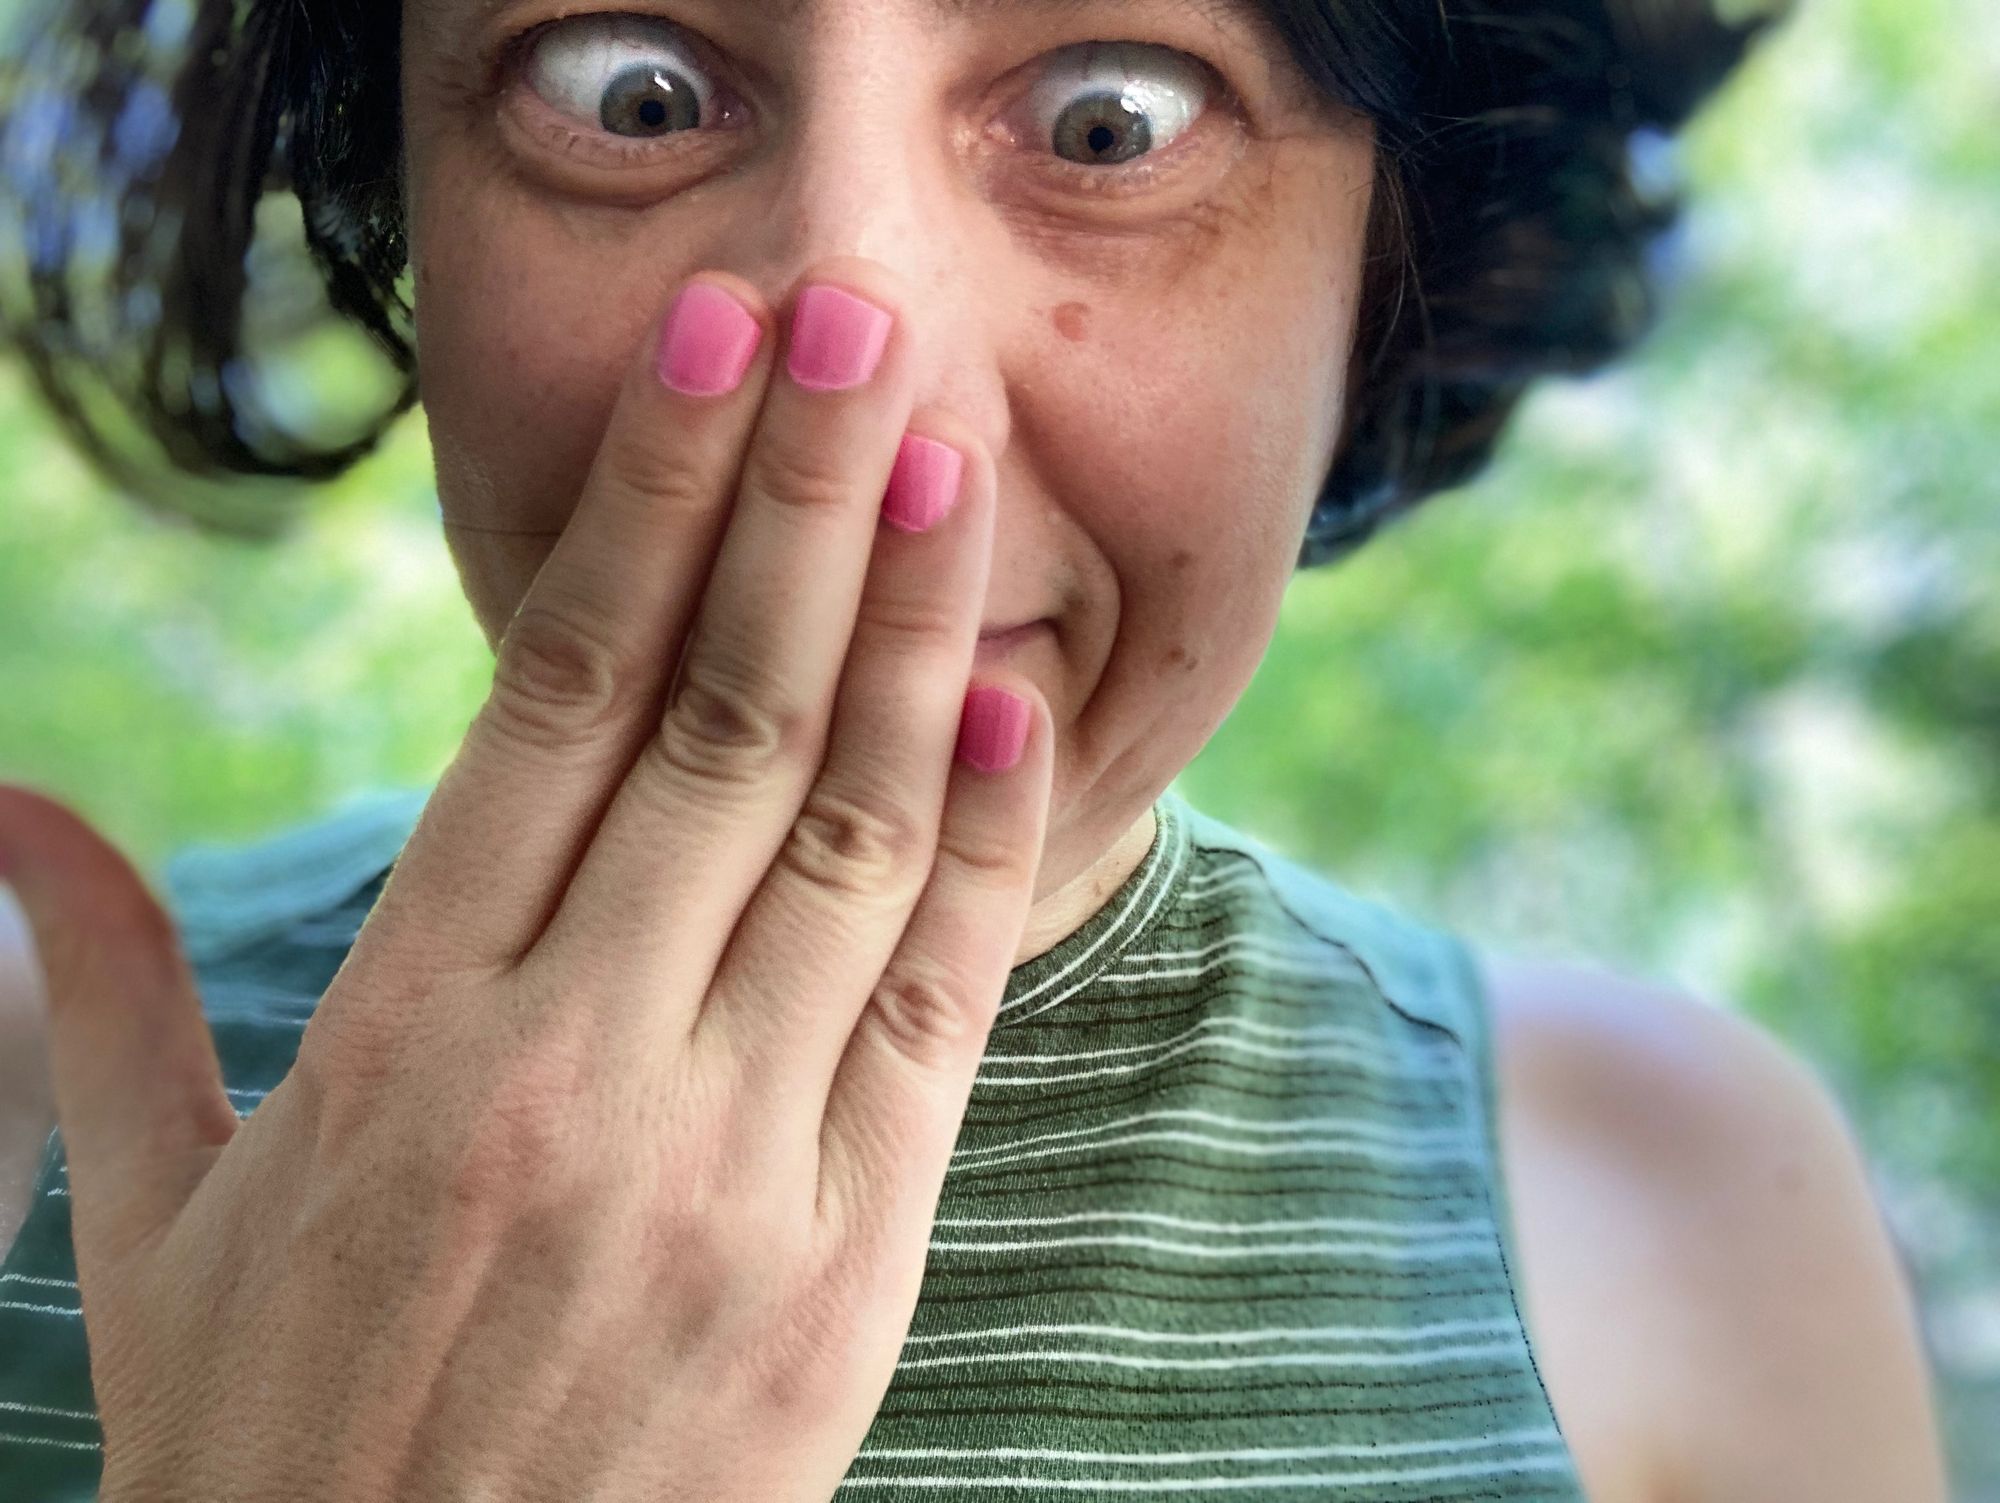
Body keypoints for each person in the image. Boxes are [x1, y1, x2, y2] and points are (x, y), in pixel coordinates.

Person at [0, 0, 1953, 1494]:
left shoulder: (1685, 1206)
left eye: (1114, 116)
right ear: (398, 199)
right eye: (629, 89)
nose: (852, 350)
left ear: (1383, 260)